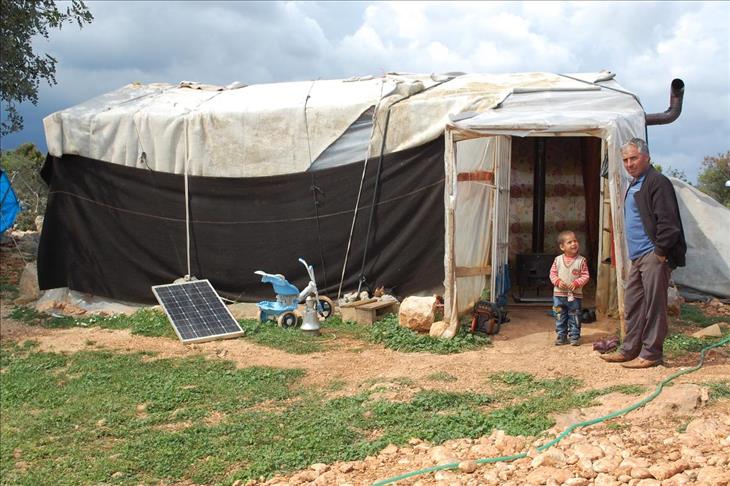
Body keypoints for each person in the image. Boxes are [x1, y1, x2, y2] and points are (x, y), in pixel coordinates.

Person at [601, 137, 686, 368]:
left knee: (654, 306)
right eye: (625, 160)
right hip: (638, 256)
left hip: (653, 254)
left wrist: (660, 252)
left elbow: (669, 222)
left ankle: (651, 354)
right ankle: (629, 350)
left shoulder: (657, 182)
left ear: (646, 157)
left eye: (634, 158)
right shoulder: (635, 183)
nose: (629, 164)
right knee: (634, 303)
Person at [549, 230, 590, 346]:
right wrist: (557, 282)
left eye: (575, 241)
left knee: (575, 315)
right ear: (562, 247)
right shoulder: (557, 260)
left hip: (575, 296)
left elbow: (585, 276)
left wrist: (577, 283)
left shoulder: (581, 261)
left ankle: (574, 336)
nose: (574, 244)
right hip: (559, 295)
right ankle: (561, 335)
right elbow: (552, 274)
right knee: (559, 316)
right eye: (569, 242)